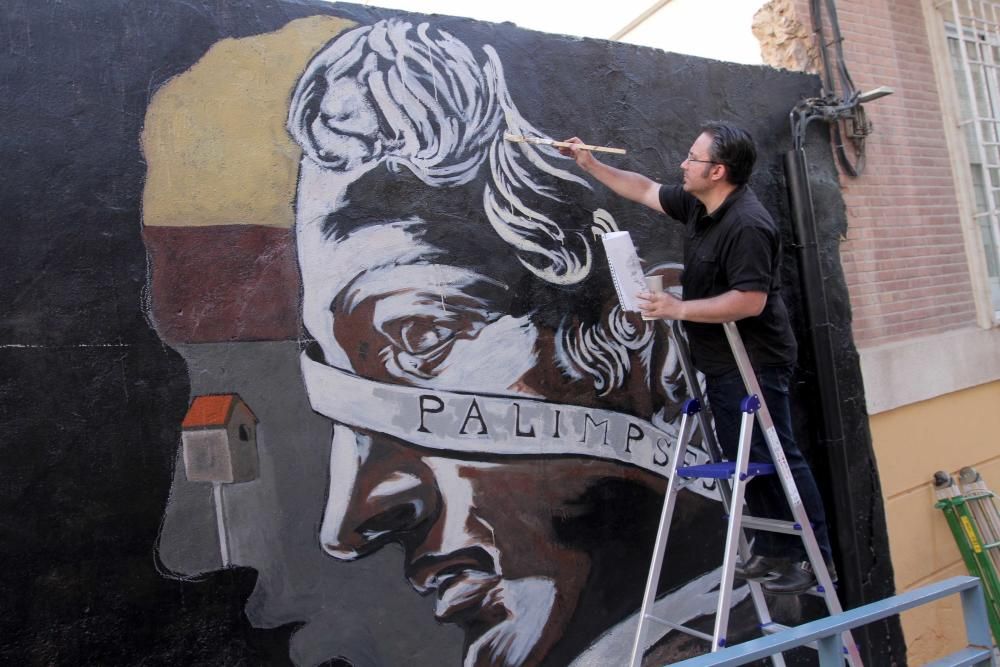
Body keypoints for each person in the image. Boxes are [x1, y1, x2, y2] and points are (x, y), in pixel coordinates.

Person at [559, 122, 834, 594]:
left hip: (756, 361)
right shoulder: (701, 205)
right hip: (722, 362)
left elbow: (750, 301)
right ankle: (774, 551)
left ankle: (810, 559)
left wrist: (679, 307)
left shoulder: (747, 225)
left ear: (718, 171)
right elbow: (644, 189)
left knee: (777, 454)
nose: (683, 164)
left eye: (693, 158)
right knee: (748, 460)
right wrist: (590, 163)